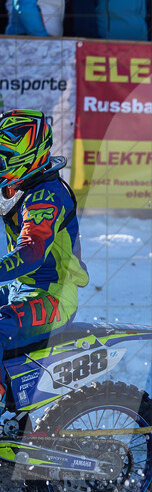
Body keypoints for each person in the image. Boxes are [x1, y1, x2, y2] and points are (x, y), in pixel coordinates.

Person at [0, 109, 89, 361]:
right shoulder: (15, 185)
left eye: (2, 159)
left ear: (24, 158)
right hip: (21, 287)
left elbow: (32, 252)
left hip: (53, 297)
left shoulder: (45, 197)